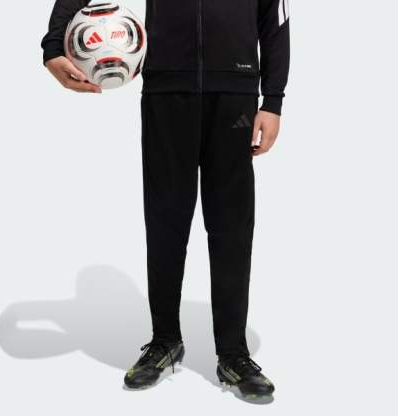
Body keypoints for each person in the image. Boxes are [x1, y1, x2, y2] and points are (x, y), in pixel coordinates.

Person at [41, 0, 290, 398]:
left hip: (236, 92)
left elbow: (275, 16)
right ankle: (165, 340)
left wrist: (273, 99)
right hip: (166, 91)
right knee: (164, 223)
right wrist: (54, 45)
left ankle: (233, 353)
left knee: (232, 226)